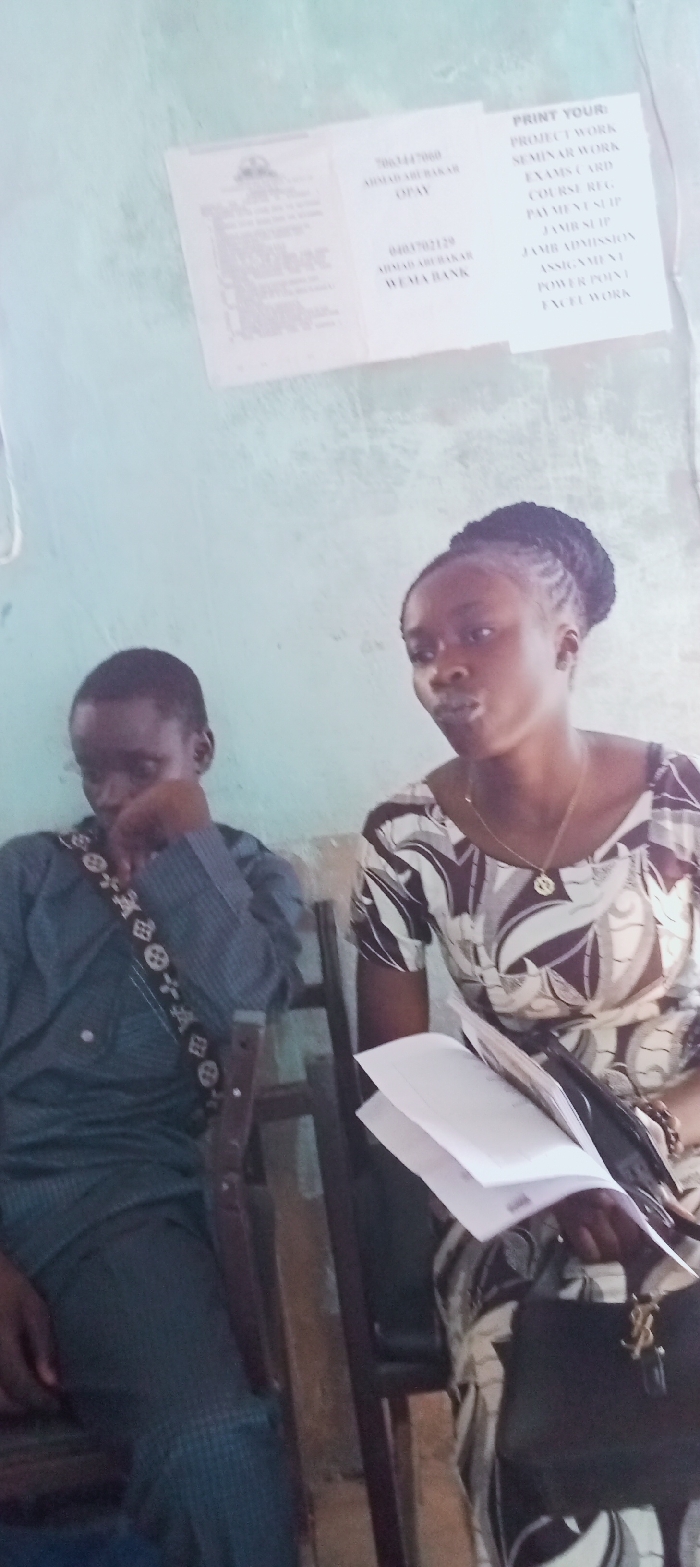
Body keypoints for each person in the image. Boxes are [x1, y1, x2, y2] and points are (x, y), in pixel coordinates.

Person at [351, 502, 700, 1567]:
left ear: (564, 643)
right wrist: (549, 1184)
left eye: (477, 632)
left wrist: (643, 1152)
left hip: (685, 1145)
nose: (445, 667)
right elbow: (401, 1072)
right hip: (515, 1190)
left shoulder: (680, 801)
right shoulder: (404, 839)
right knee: (530, 1392)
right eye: (421, 648)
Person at [0, 648, 303, 1567]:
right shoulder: (27, 877)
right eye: (92, 770)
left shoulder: (250, 877)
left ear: (199, 751)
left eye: (141, 767)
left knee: (209, 1449)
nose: (111, 793)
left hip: (119, 1205)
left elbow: (246, 1007)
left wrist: (186, 849)